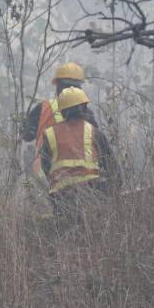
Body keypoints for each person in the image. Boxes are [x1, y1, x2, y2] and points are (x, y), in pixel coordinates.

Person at [41, 87, 119, 219]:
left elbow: (46, 167)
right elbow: (112, 167)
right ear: (84, 108)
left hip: (61, 198)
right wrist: (114, 192)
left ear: (62, 112)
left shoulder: (50, 134)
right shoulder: (94, 132)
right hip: (93, 193)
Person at [23, 62, 97, 174]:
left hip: (45, 176)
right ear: (80, 88)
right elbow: (100, 147)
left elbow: (26, 136)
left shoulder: (43, 108)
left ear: (58, 87)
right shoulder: (87, 112)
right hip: (84, 176)